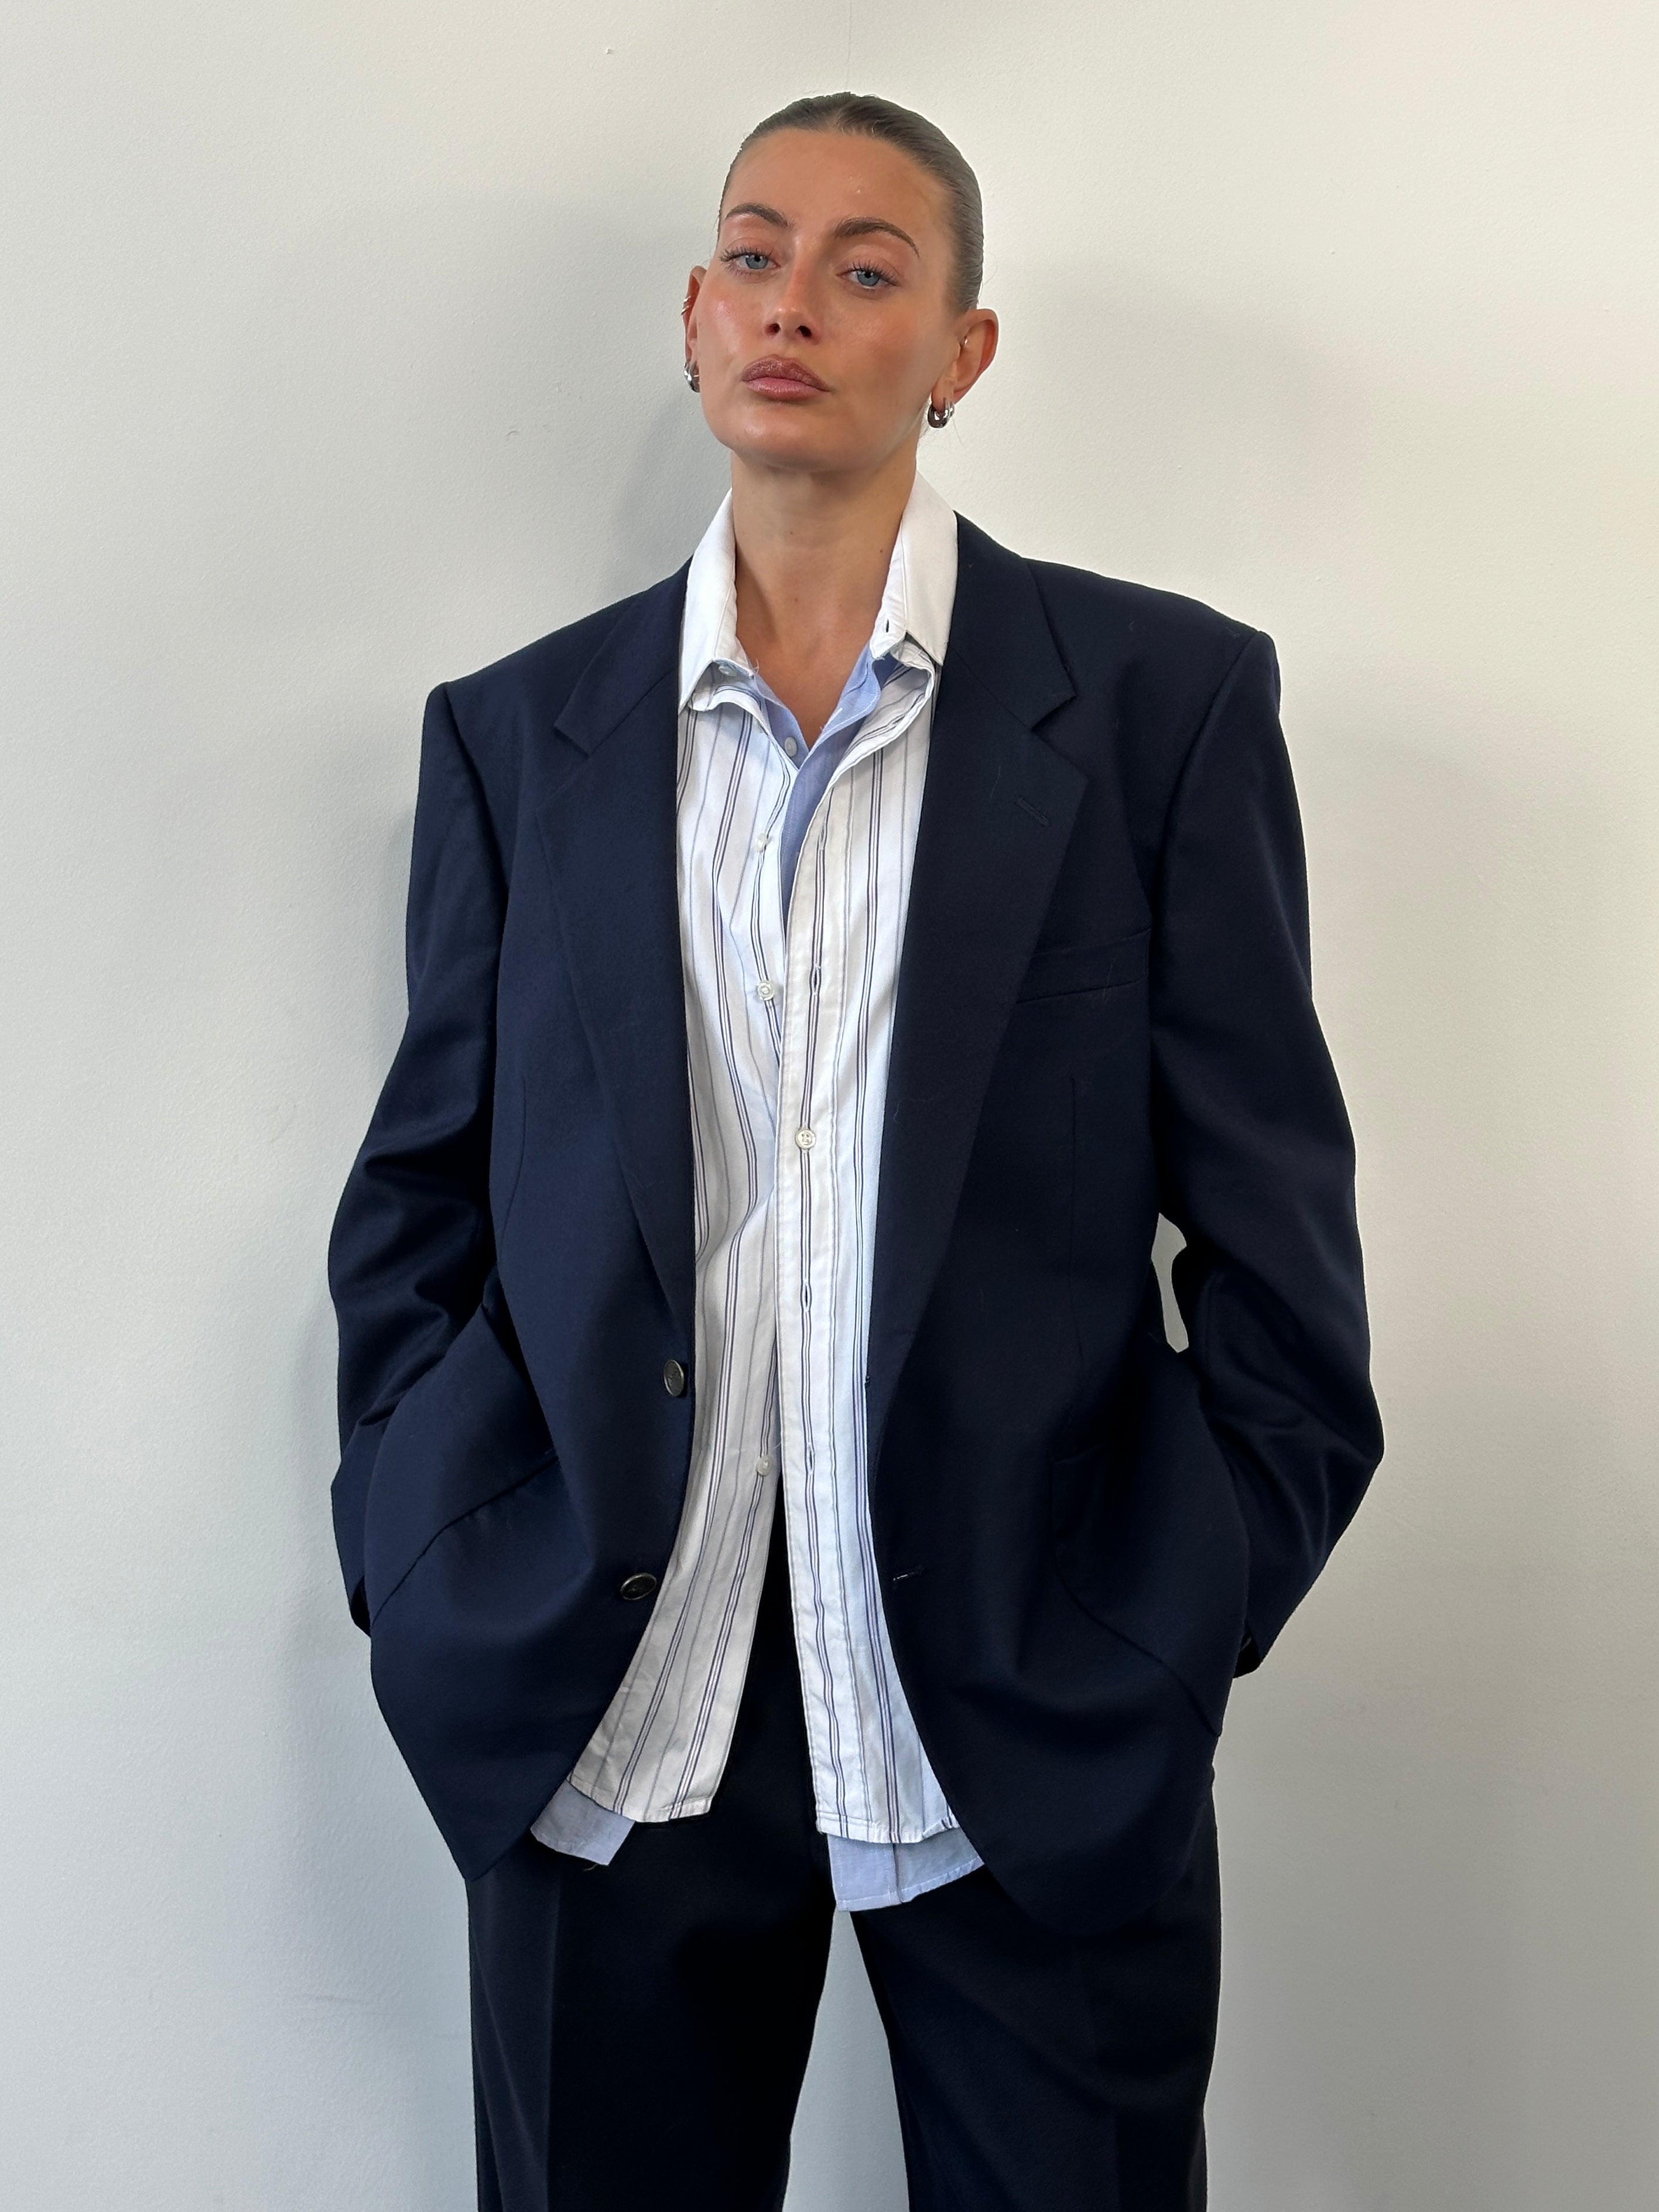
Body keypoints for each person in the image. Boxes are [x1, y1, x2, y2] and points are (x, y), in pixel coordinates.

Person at [326, 91, 1383, 2212]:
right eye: (751, 252)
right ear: (692, 317)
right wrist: (432, 1554)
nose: (788, 302)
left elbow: (1273, 1243)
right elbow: (420, 1206)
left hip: (1022, 1704)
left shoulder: (1156, 706)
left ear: (960, 351)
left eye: (863, 267)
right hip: (612, 1708)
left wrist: (1162, 1618)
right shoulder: (518, 736)